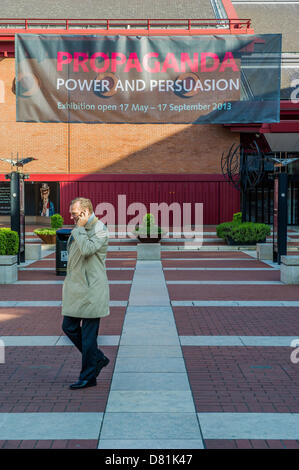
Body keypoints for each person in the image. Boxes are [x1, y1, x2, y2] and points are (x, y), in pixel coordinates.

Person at [61, 197, 110, 390]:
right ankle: (97, 359)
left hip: (92, 290)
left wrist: (80, 229)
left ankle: (88, 376)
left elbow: (88, 249)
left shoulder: (99, 229)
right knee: (69, 326)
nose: (71, 216)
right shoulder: (79, 229)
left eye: (74, 213)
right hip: (77, 289)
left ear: (85, 211)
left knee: (89, 337)